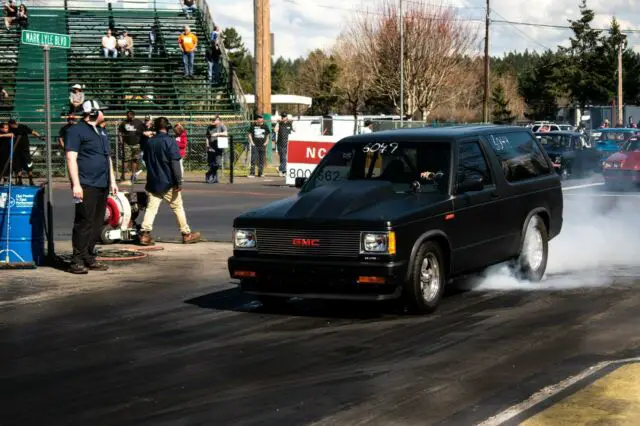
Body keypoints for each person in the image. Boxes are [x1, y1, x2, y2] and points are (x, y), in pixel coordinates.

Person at [65, 99, 118, 274]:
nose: (104, 113)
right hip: (86, 184)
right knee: (84, 222)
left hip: (102, 183)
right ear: (93, 113)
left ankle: (89, 256)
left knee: (96, 223)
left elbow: (107, 158)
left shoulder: (101, 132)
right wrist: (76, 184)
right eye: (101, 110)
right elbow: (71, 158)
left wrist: (112, 181)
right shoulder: (75, 131)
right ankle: (77, 260)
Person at [138, 116, 200, 246]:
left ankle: (144, 234)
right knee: (177, 207)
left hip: (153, 180)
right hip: (168, 181)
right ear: (167, 128)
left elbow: (145, 156)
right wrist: (179, 181)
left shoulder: (149, 142)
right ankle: (186, 234)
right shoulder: (170, 141)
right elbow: (175, 163)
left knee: (151, 208)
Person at [8, 118, 41, 186]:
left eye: (14, 124)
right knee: (18, 166)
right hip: (16, 150)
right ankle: (20, 180)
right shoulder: (10, 129)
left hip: (25, 150)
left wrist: (39, 136)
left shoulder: (22, 127)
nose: (13, 126)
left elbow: (32, 132)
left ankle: (31, 180)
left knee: (29, 165)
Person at [118, 110, 145, 183]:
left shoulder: (139, 122)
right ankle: (122, 176)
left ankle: (133, 176)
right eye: (127, 115)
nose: (128, 117)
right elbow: (120, 131)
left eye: (129, 115)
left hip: (136, 143)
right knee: (126, 160)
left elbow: (143, 131)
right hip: (127, 143)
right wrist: (121, 141)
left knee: (135, 160)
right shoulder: (124, 123)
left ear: (133, 115)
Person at [205, 115, 227, 184]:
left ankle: (209, 173)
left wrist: (217, 134)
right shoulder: (209, 127)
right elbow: (207, 137)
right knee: (212, 163)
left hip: (219, 146)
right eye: (212, 120)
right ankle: (214, 178)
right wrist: (207, 144)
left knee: (218, 164)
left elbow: (226, 133)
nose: (213, 121)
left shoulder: (222, 126)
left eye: (214, 120)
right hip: (211, 147)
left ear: (218, 120)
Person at [274, 112, 293, 177]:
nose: (284, 118)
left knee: (285, 158)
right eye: (283, 117)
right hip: (280, 143)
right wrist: (278, 123)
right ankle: (283, 170)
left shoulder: (289, 124)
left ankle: (281, 169)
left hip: (287, 143)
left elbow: (293, 131)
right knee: (283, 157)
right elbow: (275, 130)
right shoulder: (279, 123)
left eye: (285, 117)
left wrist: (291, 121)